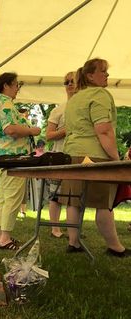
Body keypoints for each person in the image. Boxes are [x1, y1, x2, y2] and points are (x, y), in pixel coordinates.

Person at [62, 58, 130, 257]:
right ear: (90, 75)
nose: (107, 75)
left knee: (73, 200)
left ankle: (73, 243)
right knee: (104, 203)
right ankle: (115, 247)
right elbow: (104, 131)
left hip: (72, 154)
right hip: (95, 156)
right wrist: (116, 158)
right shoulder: (100, 94)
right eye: (103, 71)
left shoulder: (74, 98)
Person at [0, 72, 41, 249]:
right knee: (12, 197)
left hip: (0, 155)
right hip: (12, 156)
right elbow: (10, 129)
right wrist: (32, 130)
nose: (18, 89)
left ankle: (1, 235)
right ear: (6, 86)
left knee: (4, 197)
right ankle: (5, 238)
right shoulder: (5, 103)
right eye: (16, 85)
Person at [46, 71, 75, 238]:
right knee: (55, 194)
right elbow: (48, 136)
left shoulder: (87, 108)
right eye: (66, 82)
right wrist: (66, 130)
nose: (70, 84)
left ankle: (74, 228)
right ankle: (55, 228)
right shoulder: (58, 109)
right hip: (60, 155)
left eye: (73, 81)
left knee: (75, 195)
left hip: (79, 156)